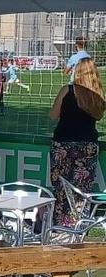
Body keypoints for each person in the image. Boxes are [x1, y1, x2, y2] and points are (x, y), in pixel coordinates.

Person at [49, 58, 105, 227]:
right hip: (87, 144)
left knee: (61, 186)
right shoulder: (97, 95)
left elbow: (53, 115)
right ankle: (78, 224)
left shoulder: (67, 90)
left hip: (63, 143)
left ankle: (60, 224)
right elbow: (98, 116)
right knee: (82, 189)